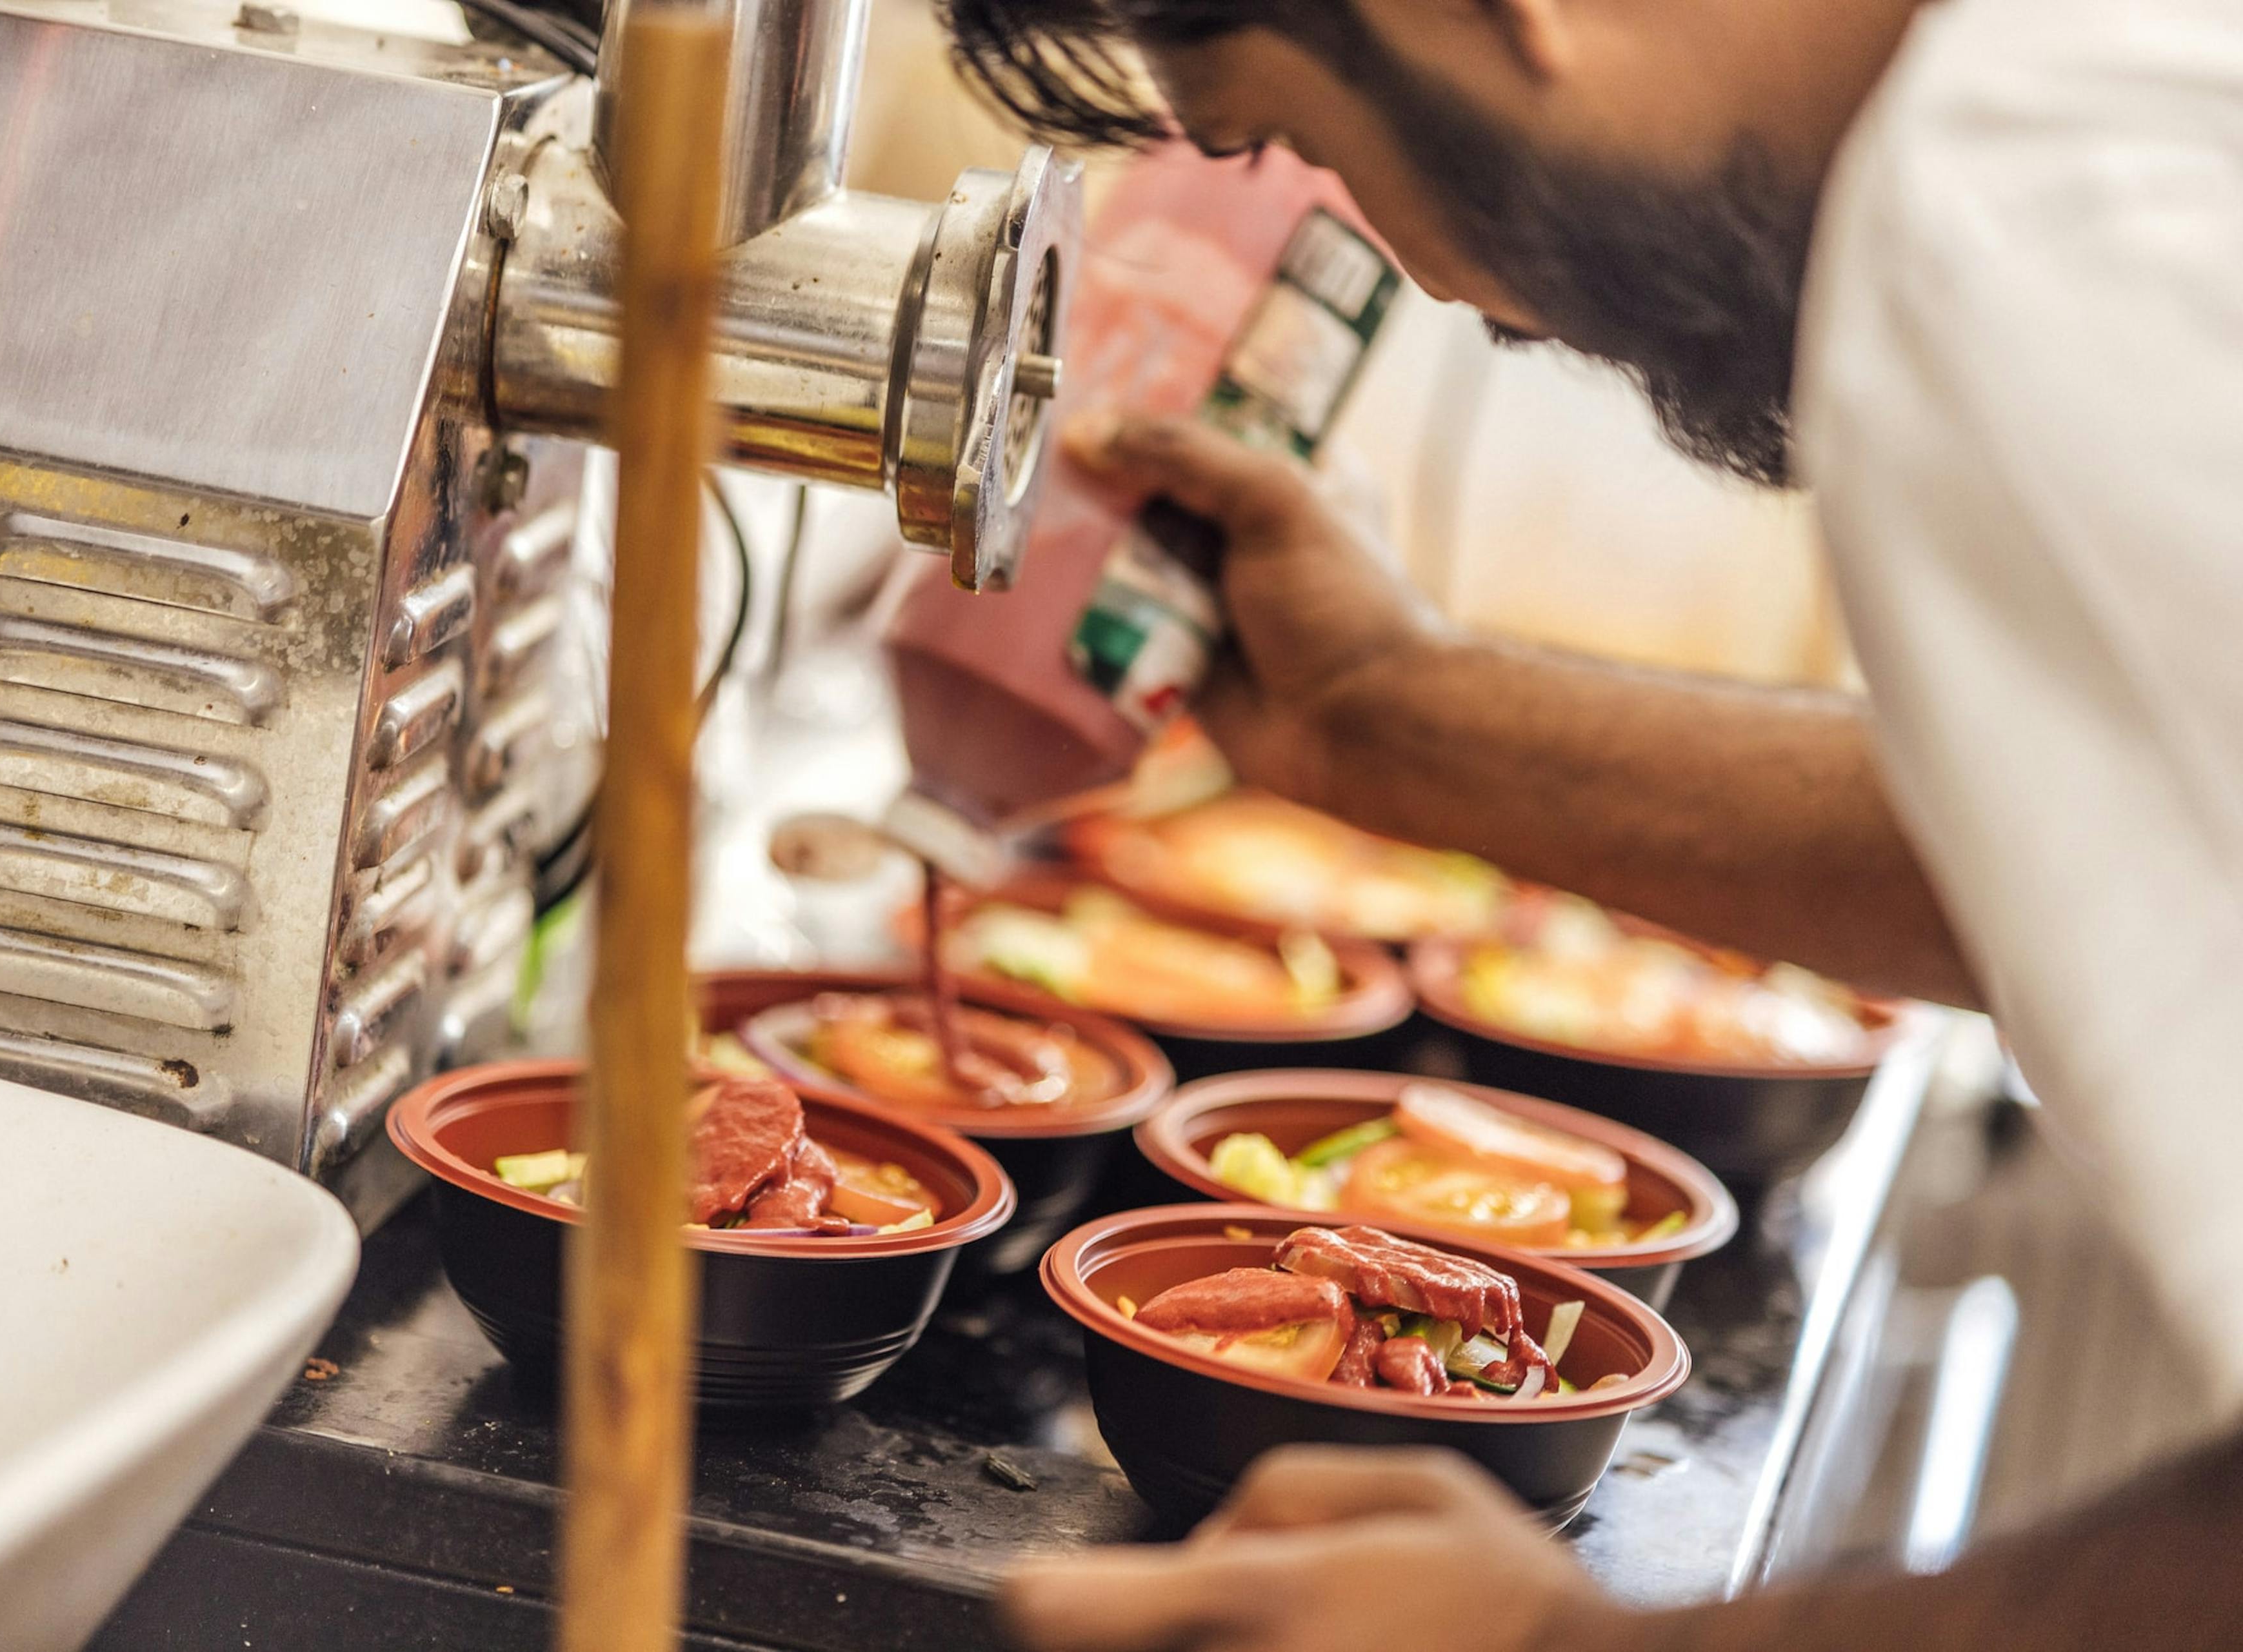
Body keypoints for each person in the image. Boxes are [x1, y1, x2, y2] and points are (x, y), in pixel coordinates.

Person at [922, 0, 2243, 1647]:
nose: (1435, 280)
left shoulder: (2023, 194)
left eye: (1318, 138)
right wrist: (1388, 716)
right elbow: (2107, 847)